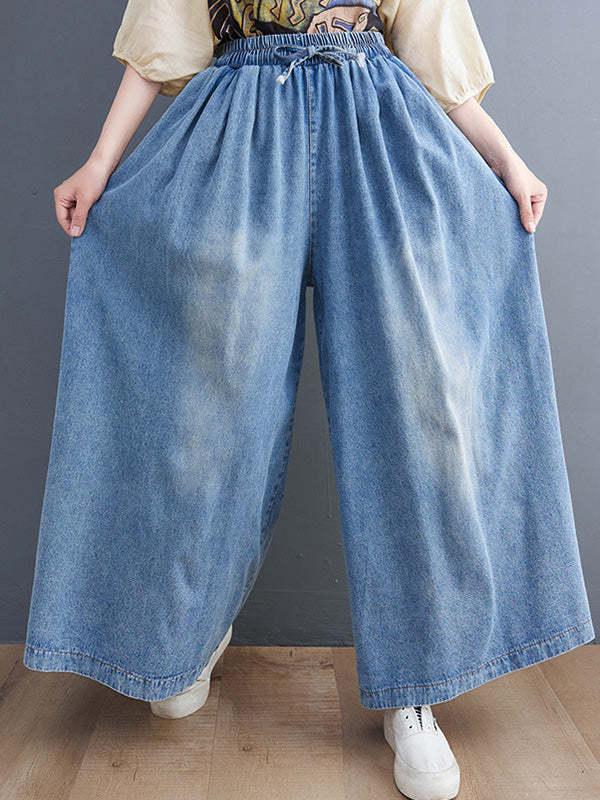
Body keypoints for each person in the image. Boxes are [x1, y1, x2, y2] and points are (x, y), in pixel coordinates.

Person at [24, 2, 595, 798]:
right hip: (238, 127)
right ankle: (180, 636)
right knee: (205, 409)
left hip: (380, 125)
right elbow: (165, 31)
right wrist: (99, 164)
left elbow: (430, 37)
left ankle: (417, 684)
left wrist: (506, 160)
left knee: (416, 408)